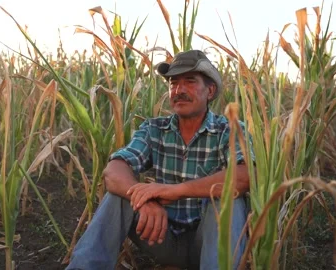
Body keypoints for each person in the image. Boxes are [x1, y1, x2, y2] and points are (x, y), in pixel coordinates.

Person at [66, 50, 252, 270]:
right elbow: (113, 171)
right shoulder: (154, 129)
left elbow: (244, 176)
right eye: (174, 84)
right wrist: (145, 200)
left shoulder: (228, 130)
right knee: (121, 195)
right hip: (162, 238)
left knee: (227, 199)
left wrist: (174, 190)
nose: (179, 90)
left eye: (190, 82)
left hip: (207, 244)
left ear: (210, 91)